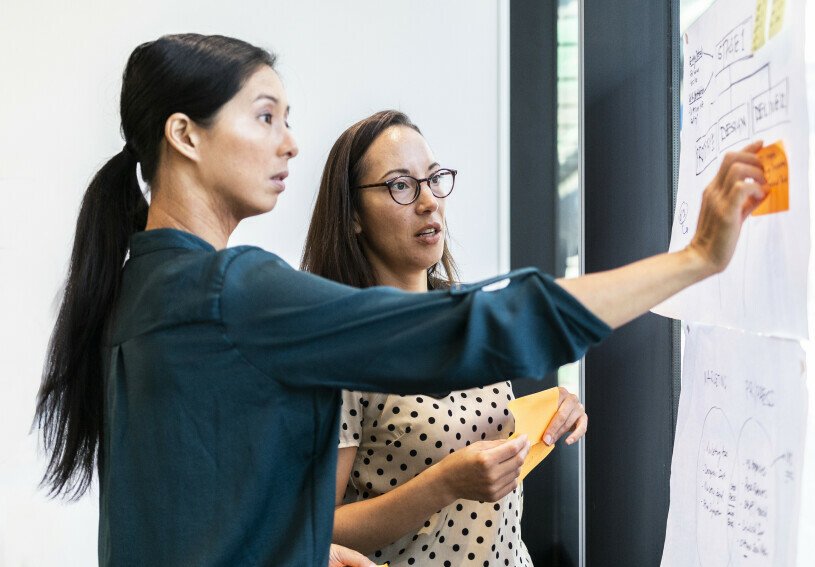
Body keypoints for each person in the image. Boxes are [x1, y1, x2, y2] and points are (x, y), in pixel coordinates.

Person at [34, 33, 766, 567]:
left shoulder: (140, 287)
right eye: (265, 117)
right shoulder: (231, 290)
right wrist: (695, 257)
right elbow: (477, 330)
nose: (289, 144)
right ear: (185, 136)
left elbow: (195, 506)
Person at [302, 110, 590, 565]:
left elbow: (480, 438)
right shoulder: (340, 348)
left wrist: (552, 413)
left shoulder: (474, 315)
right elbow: (314, 529)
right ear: (353, 214)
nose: (428, 201)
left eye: (435, 179)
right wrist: (443, 483)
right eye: (400, 185)